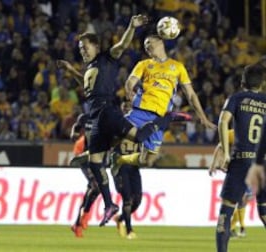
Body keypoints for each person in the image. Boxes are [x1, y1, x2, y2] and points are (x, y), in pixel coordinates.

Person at [57, 15, 190, 226]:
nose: (82, 51)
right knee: (95, 163)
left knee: (136, 137)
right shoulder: (91, 68)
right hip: (96, 115)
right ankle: (109, 205)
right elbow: (86, 86)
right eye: (80, 48)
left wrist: (131, 27)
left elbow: (121, 45)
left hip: (108, 112)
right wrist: (70, 70)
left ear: (96, 47)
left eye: (85, 47)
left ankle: (167, 118)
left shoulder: (105, 59)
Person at [110, 34, 215, 176]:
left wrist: (203, 117)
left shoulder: (178, 67)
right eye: (145, 44)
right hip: (140, 110)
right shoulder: (144, 64)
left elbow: (191, 94)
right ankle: (90, 156)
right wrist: (129, 89)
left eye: (149, 42)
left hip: (159, 119)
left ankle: (120, 160)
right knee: (114, 133)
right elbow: (130, 80)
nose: (146, 46)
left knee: (148, 161)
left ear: (160, 42)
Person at [215, 63, 266, 252]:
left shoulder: (237, 97)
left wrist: (226, 153)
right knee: (264, 213)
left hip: (241, 159)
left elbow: (223, 121)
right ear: (261, 84)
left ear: (243, 81)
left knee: (226, 212)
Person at [209, 129, 253, 238]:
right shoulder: (232, 134)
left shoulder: (256, 135)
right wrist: (213, 164)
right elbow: (219, 147)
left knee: (246, 199)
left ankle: (234, 226)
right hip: (238, 170)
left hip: (251, 169)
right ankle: (240, 227)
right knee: (240, 199)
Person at [112, 101, 142, 240]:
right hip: (122, 165)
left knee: (138, 199)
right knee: (128, 199)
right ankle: (129, 230)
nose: (127, 111)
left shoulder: (139, 126)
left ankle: (120, 219)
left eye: (129, 108)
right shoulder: (117, 126)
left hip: (134, 166)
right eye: (125, 108)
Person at [70, 112, 100, 238]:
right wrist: (76, 136)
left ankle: (78, 223)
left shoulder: (104, 117)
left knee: (94, 189)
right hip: (82, 154)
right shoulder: (85, 117)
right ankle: (84, 217)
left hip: (96, 155)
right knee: (95, 185)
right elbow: (75, 129)